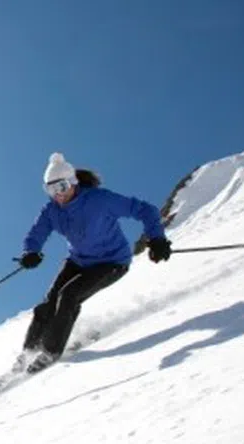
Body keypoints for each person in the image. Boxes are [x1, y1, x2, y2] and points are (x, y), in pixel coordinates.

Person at [15, 152, 172, 373]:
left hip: (112, 261)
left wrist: (157, 239)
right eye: (50, 190)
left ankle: (50, 351)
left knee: (68, 296)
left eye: (60, 187)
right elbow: (37, 233)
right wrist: (31, 251)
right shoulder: (51, 210)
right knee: (48, 303)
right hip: (78, 261)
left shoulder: (100, 200)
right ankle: (28, 352)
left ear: (72, 183)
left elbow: (145, 210)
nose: (57, 195)